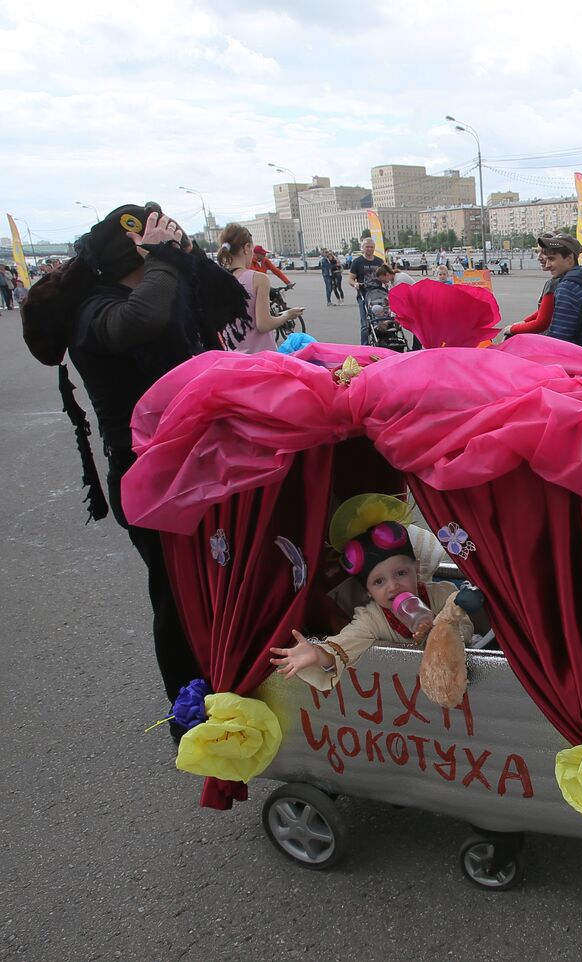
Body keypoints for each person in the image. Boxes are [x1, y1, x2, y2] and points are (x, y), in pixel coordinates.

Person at [20, 204, 247, 718]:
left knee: (223, 578)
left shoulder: (163, 285)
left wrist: (189, 256)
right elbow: (145, 321)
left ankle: (234, 684)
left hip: (202, 462)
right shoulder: (95, 311)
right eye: (155, 250)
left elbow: (229, 302)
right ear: (136, 255)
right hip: (147, 475)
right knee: (175, 594)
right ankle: (188, 710)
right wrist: (166, 262)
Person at [270, 505, 484, 690]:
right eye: (379, 582)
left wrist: (439, 625)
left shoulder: (442, 595)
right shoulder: (372, 619)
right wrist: (318, 655)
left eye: (401, 573)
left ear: (416, 570)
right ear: (368, 592)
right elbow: (342, 648)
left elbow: (466, 629)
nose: (393, 586)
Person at [218, 223, 304, 353]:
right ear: (246, 248)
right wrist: (288, 314)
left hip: (233, 360)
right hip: (261, 360)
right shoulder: (258, 279)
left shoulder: (219, 281)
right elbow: (263, 324)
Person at [507, 243, 558, 337]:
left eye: (544, 252)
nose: (538, 257)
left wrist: (511, 329)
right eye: (537, 252)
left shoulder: (554, 284)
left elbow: (541, 323)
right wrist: (525, 322)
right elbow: (546, 311)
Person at [347, 238, 387, 344]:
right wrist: (355, 284)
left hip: (379, 295)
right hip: (364, 295)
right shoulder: (357, 262)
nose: (369, 249)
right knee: (365, 323)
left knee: (382, 320)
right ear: (362, 248)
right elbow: (350, 279)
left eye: (371, 247)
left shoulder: (379, 261)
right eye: (367, 247)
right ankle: (364, 346)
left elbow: (386, 275)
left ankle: (383, 341)